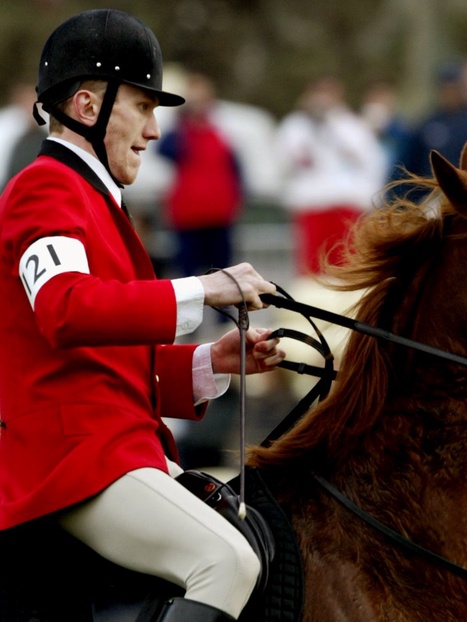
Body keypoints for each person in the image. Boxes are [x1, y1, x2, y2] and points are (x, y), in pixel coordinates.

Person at [0, 10, 285, 622]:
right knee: (226, 562)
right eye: (144, 107)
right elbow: (65, 311)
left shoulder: (100, 203)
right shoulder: (44, 187)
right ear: (85, 106)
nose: (155, 131)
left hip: (113, 448)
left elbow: (110, 360)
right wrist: (206, 288)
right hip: (68, 460)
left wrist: (211, 363)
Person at [274, 75, 386, 275]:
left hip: (346, 203)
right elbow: (283, 162)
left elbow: (370, 162)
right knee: (313, 265)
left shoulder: (351, 125)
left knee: (347, 262)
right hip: (312, 204)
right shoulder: (296, 126)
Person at [158, 72, 243, 281]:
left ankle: (224, 313)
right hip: (188, 215)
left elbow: (236, 169)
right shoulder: (180, 133)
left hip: (219, 213)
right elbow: (164, 150)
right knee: (188, 272)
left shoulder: (223, 130)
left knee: (223, 271)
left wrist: (237, 200)